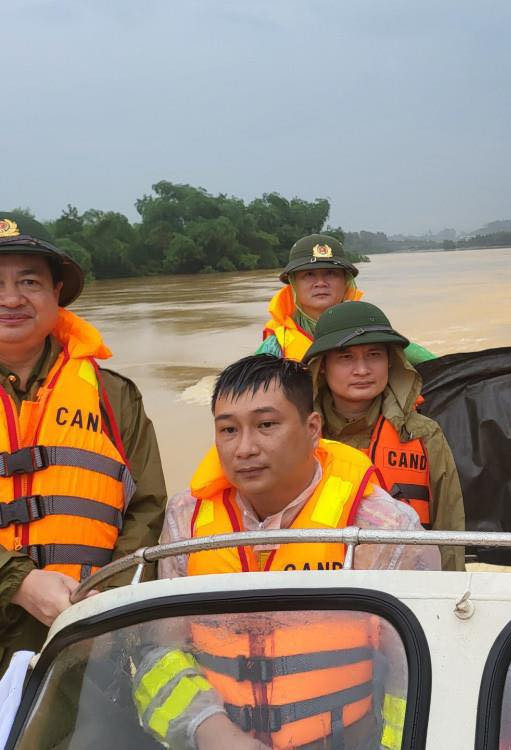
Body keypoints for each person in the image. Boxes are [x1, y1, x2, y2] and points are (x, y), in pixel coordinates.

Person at [135, 355, 439, 750]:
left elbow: (416, 668)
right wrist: (213, 733)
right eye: (228, 429)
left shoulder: (382, 527)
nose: (244, 448)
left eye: (266, 425)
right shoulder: (185, 522)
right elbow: (159, 652)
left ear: (312, 429)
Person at [0, 212, 167, 673]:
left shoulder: (113, 396)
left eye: (29, 282)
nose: (11, 298)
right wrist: (16, 582)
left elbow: (148, 510)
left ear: (56, 293)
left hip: (86, 641)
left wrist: (102, 604)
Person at [303, 301, 466, 571]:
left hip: (404, 589)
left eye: (374, 355)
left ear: (391, 363)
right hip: (319, 587)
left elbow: (448, 532)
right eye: (346, 358)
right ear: (322, 367)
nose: (362, 370)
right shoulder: (297, 437)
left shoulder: (425, 434)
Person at [258, 234, 435, 365]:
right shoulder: (276, 346)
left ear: (346, 282)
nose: (320, 283)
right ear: (293, 285)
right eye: (309, 275)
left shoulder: (373, 330)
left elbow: (438, 367)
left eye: (331, 273)